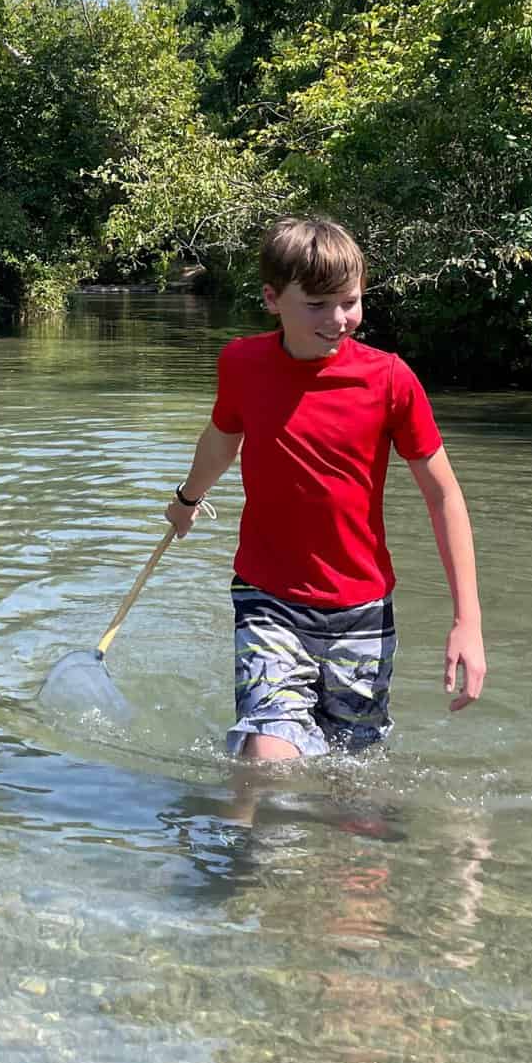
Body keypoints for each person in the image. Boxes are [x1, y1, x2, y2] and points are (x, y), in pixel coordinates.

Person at [167, 215, 486, 759]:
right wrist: (186, 501)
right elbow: (221, 441)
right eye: (317, 305)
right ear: (272, 297)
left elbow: (444, 495)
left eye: (350, 301)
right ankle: (250, 838)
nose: (338, 319)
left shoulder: (389, 380)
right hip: (268, 597)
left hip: (363, 607)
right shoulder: (242, 364)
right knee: (265, 757)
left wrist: (468, 622)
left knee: (352, 775)